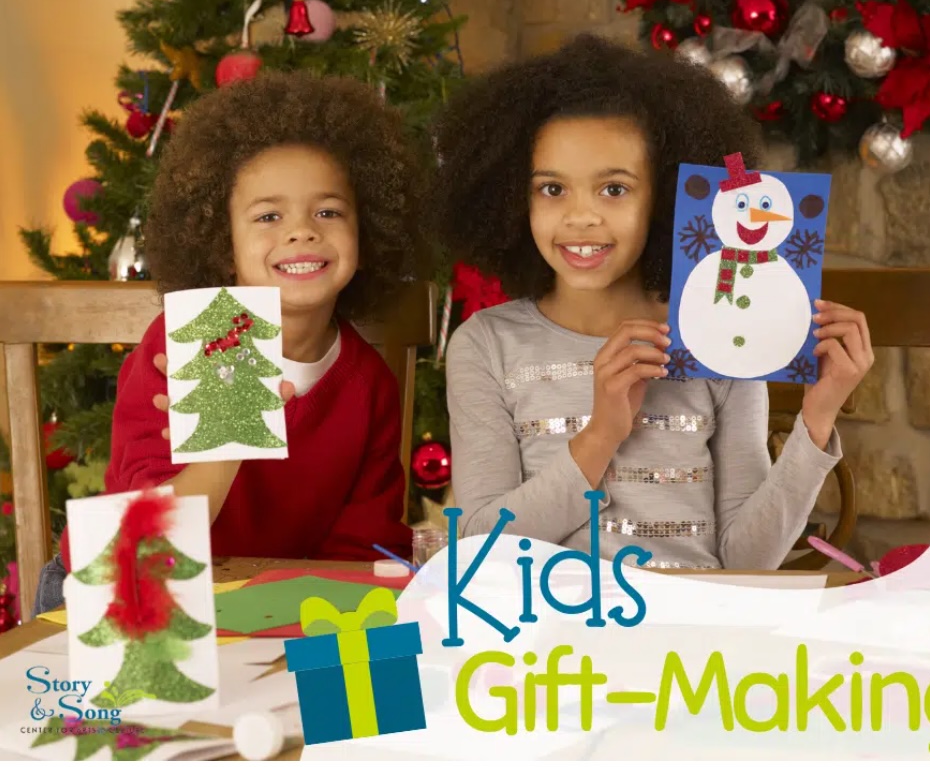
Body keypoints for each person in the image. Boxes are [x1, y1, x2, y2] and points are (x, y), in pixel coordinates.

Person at [434, 34, 873, 571]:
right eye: (552, 189)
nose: (580, 217)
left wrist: (818, 418)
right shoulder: (486, 345)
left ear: (663, 197)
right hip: (551, 645)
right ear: (510, 195)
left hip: (691, 642)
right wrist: (601, 435)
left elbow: (748, 559)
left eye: (613, 189)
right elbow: (482, 551)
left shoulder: (717, 334)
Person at [34, 71, 418, 614]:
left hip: (266, 607)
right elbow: (146, 544)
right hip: (124, 598)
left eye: (328, 211)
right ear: (222, 243)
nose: (302, 231)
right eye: (268, 216)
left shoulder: (366, 382)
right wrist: (230, 436)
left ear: (367, 229)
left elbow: (359, 553)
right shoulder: (193, 341)